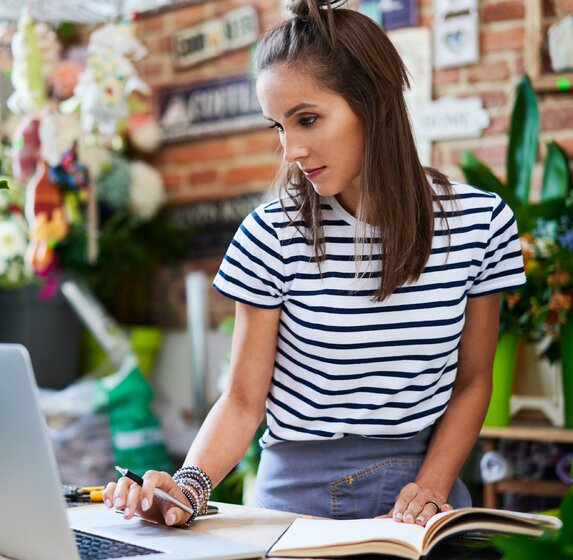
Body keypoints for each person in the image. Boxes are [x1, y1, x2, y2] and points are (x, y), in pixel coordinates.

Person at [104, 0, 525, 527]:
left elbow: (473, 382)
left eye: (307, 119)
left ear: (376, 104)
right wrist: (188, 487)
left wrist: (432, 487)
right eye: (277, 127)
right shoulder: (270, 233)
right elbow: (240, 401)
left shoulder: (481, 224)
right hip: (298, 502)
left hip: (428, 494)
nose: (291, 150)